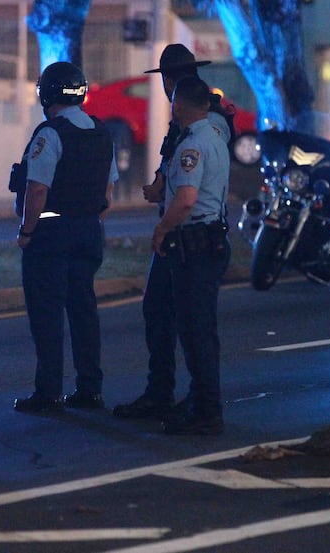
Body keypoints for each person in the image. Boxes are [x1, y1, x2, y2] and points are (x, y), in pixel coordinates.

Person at [113, 44, 231, 427]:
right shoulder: (186, 124)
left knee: (195, 327)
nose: (168, 88)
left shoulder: (205, 124)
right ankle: (163, 393)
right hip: (179, 233)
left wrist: (166, 215)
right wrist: (161, 185)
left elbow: (193, 177)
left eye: (172, 80)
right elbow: (173, 164)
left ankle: (201, 405)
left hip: (193, 231)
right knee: (159, 312)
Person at [12, 61, 118, 413]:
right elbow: (108, 190)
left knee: (48, 315)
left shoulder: (50, 133)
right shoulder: (102, 132)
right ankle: (90, 388)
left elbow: (37, 189)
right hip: (88, 231)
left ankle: (49, 393)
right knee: (84, 312)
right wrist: (90, 221)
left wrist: (27, 232)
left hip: (51, 235)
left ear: (47, 93)